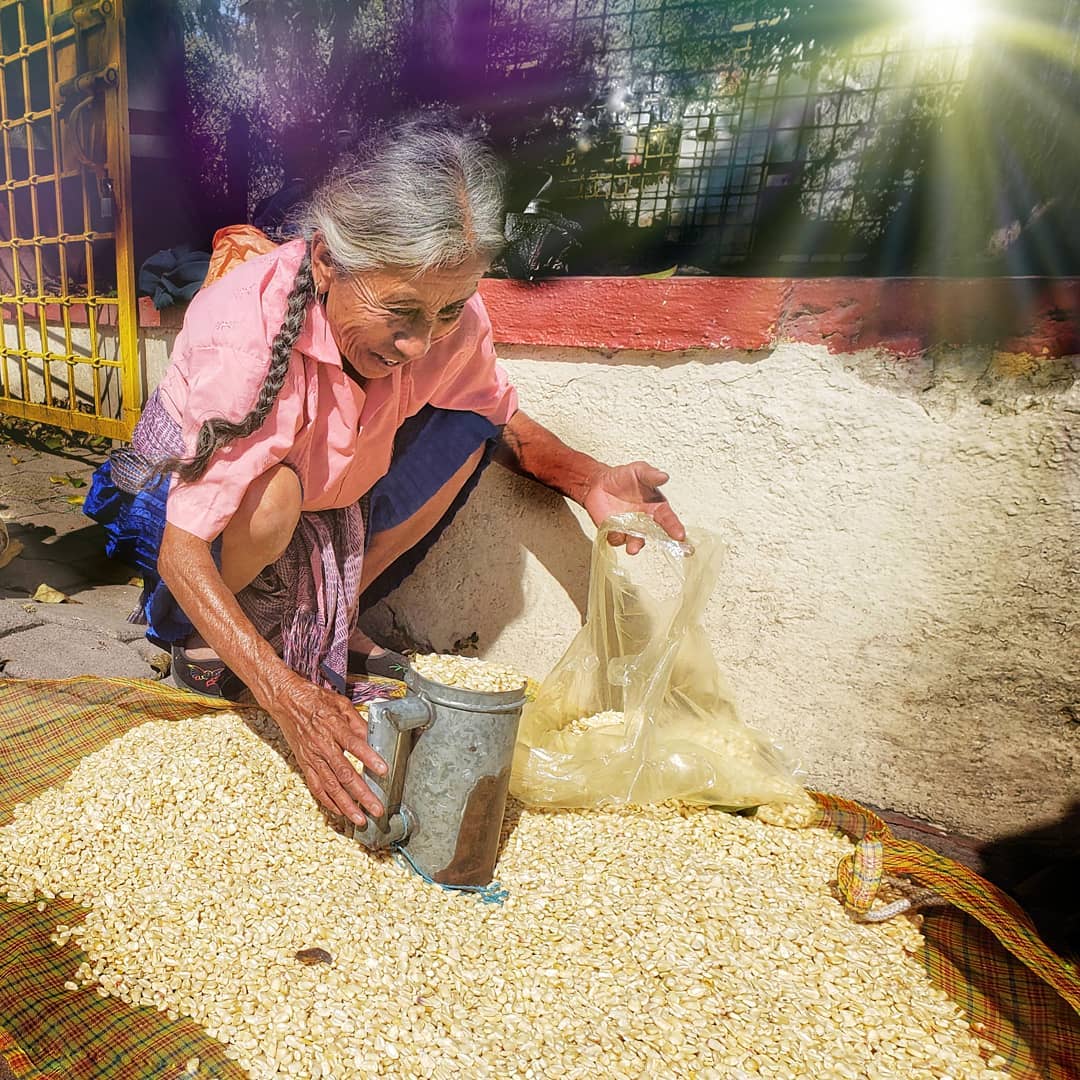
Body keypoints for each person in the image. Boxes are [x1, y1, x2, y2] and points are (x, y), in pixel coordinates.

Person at [85, 116, 685, 829]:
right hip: (181, 512)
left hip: (321, 505)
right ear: (328, 263)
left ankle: (330, 617)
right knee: (272, 497)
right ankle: (191, 636)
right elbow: (186, 545)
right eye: (399, 311)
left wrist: (588, 481)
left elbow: (501, 418)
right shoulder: (241, 333)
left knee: (467, 429)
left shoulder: (446, 321)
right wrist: (290, 701)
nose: (420, 341)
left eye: (447, 310)